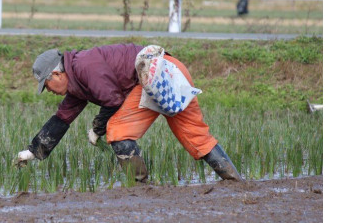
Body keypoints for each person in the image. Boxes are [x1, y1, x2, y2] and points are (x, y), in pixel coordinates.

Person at [16, 43, 242, 182]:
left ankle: (139, 186)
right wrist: (34, 151)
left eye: (46, 85)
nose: (48, 91)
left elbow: (112, 100)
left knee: (118, 131)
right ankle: (235, 182)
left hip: (152, 77)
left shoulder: (84, 66)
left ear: (56, 74)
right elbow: (62, 118)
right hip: (173, 69)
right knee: (198, 137)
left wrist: (98, 128)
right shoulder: (77, 78)